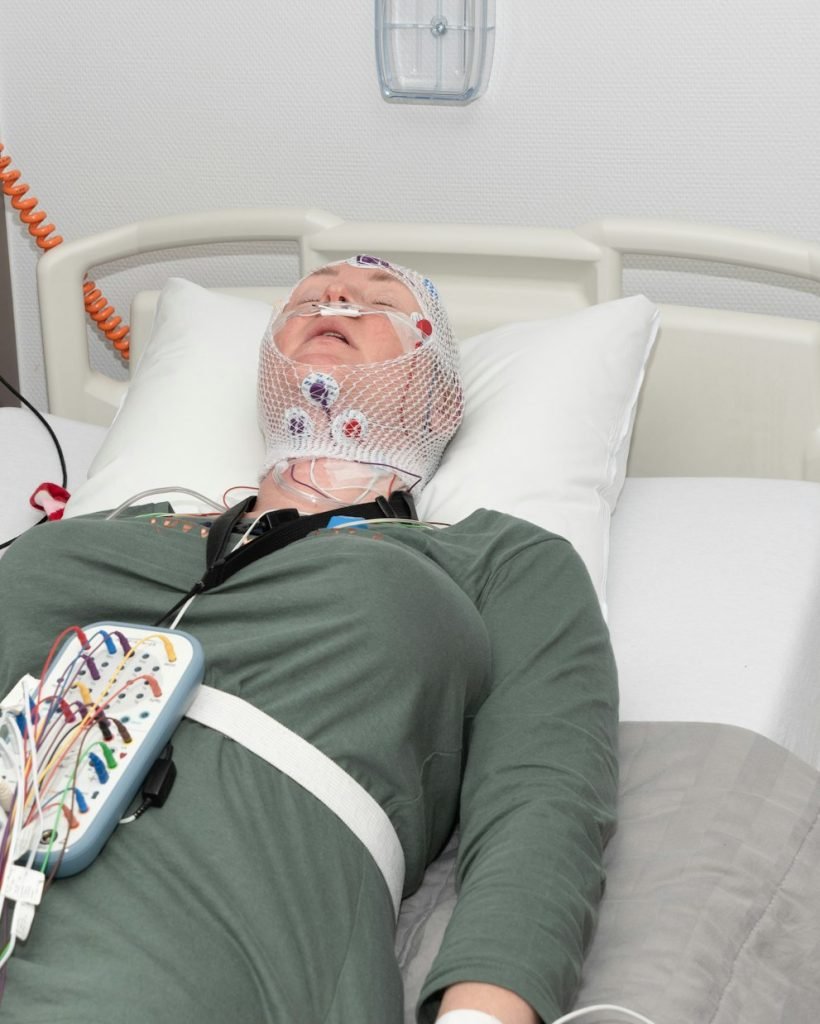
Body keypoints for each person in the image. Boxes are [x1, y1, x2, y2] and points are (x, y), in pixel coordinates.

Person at [0, 256, 618, 1024]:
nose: (336, 298)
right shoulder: (117, 528)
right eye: (309, 297)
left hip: (207, 930)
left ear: (441, 403)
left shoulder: (494, 561)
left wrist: (482, 1016)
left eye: (380, 301)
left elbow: (546, 798)